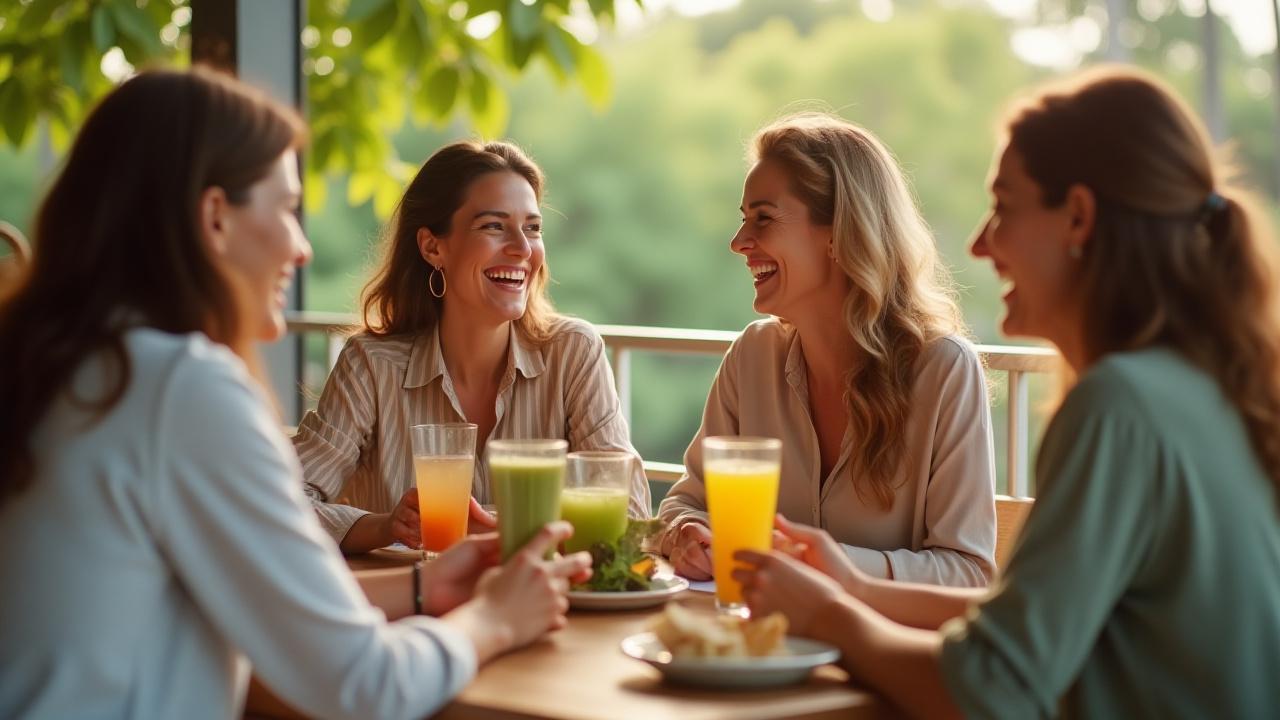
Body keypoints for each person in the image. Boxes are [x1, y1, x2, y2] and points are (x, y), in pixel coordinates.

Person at [0, 68, 590, 720]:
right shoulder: (182, 389)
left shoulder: (69, 365)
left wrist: (424, 584)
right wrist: (495, 621)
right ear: (216, 219)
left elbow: (253, 595)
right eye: (285, 209)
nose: (302, 248)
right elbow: (367, 688)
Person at [734, 68, 1280, 718]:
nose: (979, 242)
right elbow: (1039, 618)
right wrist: (851, 585)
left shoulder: (1119, 404)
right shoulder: (1203, 384)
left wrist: (831, 617)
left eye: (1004, 207)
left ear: (1077, 216)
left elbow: (994, 689)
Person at [658, 113, 997, 587]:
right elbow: (687, 503)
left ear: (839, 232)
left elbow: (968, 573)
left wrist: (821, 563)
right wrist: (688, 533)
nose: (739, 243)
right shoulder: (751, 357)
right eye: (743, 220)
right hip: (754, 647)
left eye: (763, 218)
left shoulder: (943, 371)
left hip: (876, 658)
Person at [293, 140, 651, 554]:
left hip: (543, 610)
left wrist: (501, 528)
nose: (522, 248)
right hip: (413, 609)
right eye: (493, 226)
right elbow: (282, 502)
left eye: (533, 227)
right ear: (432, 247)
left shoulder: (573, 352)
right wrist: (387, 526)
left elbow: (631, 512)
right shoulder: (369, 365)